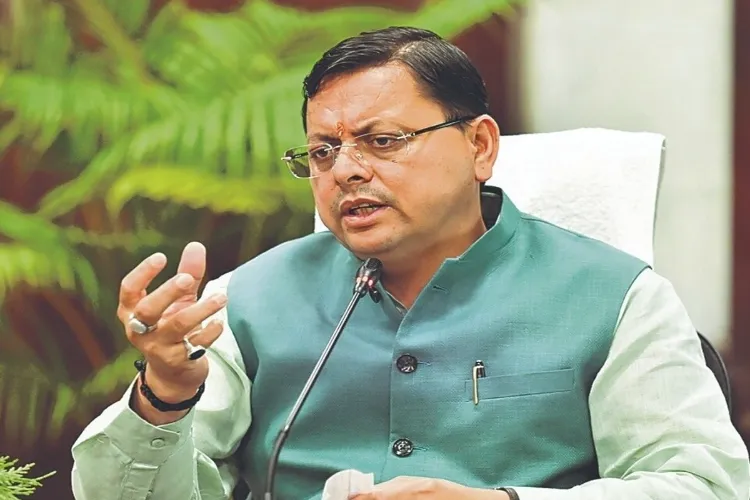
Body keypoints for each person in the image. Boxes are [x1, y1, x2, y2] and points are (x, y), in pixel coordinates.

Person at [71, 26, 750, 500]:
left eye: (383, 140)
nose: (346, 171)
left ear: (480, 147)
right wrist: (164, 393)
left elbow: (704, 486)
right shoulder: (242, 303)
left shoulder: (616, 297)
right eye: (323, 151)